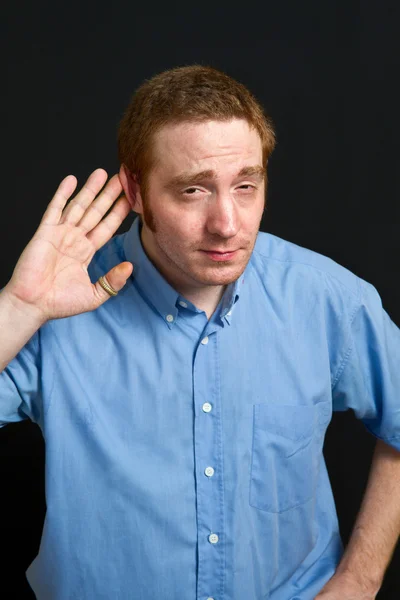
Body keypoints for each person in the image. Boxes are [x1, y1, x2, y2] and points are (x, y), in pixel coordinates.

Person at [0, 65, 399, 600]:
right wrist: (18, 307)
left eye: (246, 186)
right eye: (193, 190)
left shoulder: (327, 299)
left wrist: (360, 579)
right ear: (135, 191)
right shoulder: (55, 311)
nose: (227, 223)